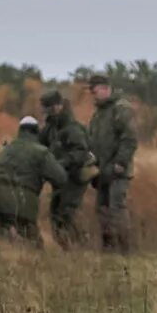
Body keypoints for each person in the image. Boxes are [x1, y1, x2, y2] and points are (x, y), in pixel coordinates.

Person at [0, 114, 69, 244]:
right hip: (24, 202)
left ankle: (3, 257)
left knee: (4, 236)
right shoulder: (41, 152)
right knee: (33, 244)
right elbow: (60, 178)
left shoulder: (6, 150)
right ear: (36, 131)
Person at [84, 76, 138, 252]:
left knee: (117, 209)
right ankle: (108, 248)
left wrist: (120, 163)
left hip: (118, 170)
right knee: (102, 210)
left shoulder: (121, 109)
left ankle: (124, 250)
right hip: (101, 171)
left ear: (106, 88)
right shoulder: (98, 115)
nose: (93, 94)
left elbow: (129, 139)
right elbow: (91, 141)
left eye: (95, 90)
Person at [39, 88, 94, 246]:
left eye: (48, 109)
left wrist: (61, 163)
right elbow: (39, 143)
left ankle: (81, 244)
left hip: (76, 176)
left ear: (57, 107)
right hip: (60, 177)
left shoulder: (72, 128)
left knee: (67, 211)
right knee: (55, 213)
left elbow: (81, 152)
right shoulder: (51, 128)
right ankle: (65, 246)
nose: (46, 114)